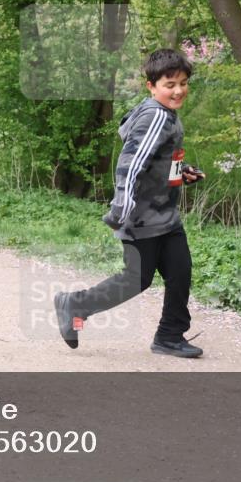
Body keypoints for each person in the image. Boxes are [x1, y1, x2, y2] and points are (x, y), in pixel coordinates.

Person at [54, 48, 205, 358]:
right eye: (170, 84)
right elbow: (131, 163)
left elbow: (158, 158)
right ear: (151, 86)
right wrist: (121, 206)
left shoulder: (166, 115)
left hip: (165, 216)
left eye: (184, 83)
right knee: (135, 279)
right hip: (141, 218)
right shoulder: (155, 116)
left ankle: (169, 335)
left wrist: (182, 170)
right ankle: (75, 304)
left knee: (180, 271)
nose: (178, 90)